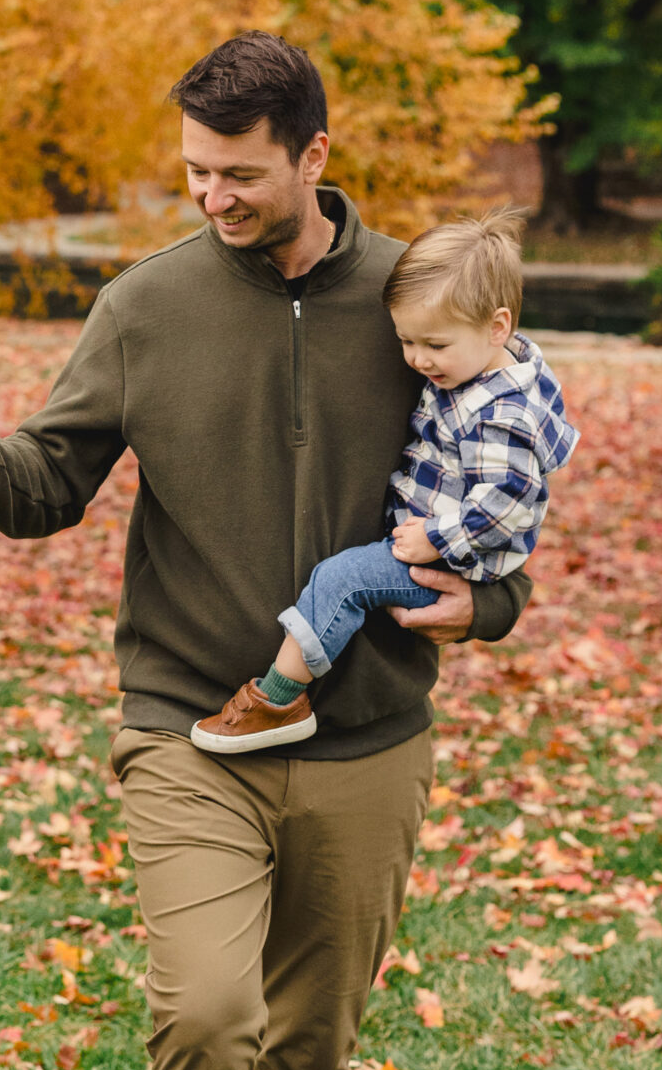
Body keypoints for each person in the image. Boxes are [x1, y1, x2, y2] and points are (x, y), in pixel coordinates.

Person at [0, 32, 535, 1070]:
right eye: (195, 171)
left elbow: (509, 470)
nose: (212, 197)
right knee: (205, 1013)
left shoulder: (412, 295)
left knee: (312, 1048)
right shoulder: (146, 304)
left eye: (241, 175)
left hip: (367, 733)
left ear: (314, 156)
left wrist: (490, 602)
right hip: (190, 722)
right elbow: (55, 469)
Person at [194, 207, 576, 753]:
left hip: (458, 551)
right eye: (407, 341)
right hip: (444, 534)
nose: (419, 359)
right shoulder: (492, 365)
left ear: (498, 327)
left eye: (435, 346)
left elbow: (509, 502)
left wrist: (435, 538)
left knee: (342, 581)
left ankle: (278, 700)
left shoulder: (500, 414)